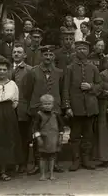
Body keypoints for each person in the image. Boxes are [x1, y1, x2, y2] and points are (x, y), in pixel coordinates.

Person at [22, 45, 65, 175]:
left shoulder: (59, 72)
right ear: (41, 56)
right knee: (38, 135)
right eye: (45, 55)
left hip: (54, 109)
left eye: (50, 55)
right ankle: (37, 164)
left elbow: (62, 90)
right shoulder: (33, 72)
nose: (48, 57)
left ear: (54, 57)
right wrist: (35, 104)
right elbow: (27, 91)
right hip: (37, 108)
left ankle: (54, 163)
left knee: (53, 135)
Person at [63, 41, 101, 171]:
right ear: (75, 51)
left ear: (88, 51)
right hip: (76, 107)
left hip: (90, 107)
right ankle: (76, 160)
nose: (82, 51)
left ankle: (86, 159)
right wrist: (67, 107)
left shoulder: (93, 67)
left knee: (88, 134)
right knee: (75, 135)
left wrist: (91, 87)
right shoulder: (69, 68)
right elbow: (65, 89)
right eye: (79, 48)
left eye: (84, 48)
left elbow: (99, 86)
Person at [31, 94, 65, 181]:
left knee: (52, 157)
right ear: (41, 105)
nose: (47, 106)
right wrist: (38, 138)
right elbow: (35, 127)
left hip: (53, 139)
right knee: (42, 157)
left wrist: (60, 136)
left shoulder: (56, 115)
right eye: (45, 104)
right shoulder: (39, 115)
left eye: (49, 104)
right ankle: (42, 174)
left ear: (53, 104)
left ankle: (51, 174)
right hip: (43, 139)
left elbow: (61, 126)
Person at [11, 43, 33, 173]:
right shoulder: (6, 68)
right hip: (8, 108)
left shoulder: (29, 70)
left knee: (23, 136)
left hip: (23, 108)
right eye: (14, 52)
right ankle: (11, 163)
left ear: (24, 55)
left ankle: (23, 163)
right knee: (11, 136)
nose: (16, 54)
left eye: (19, 52)